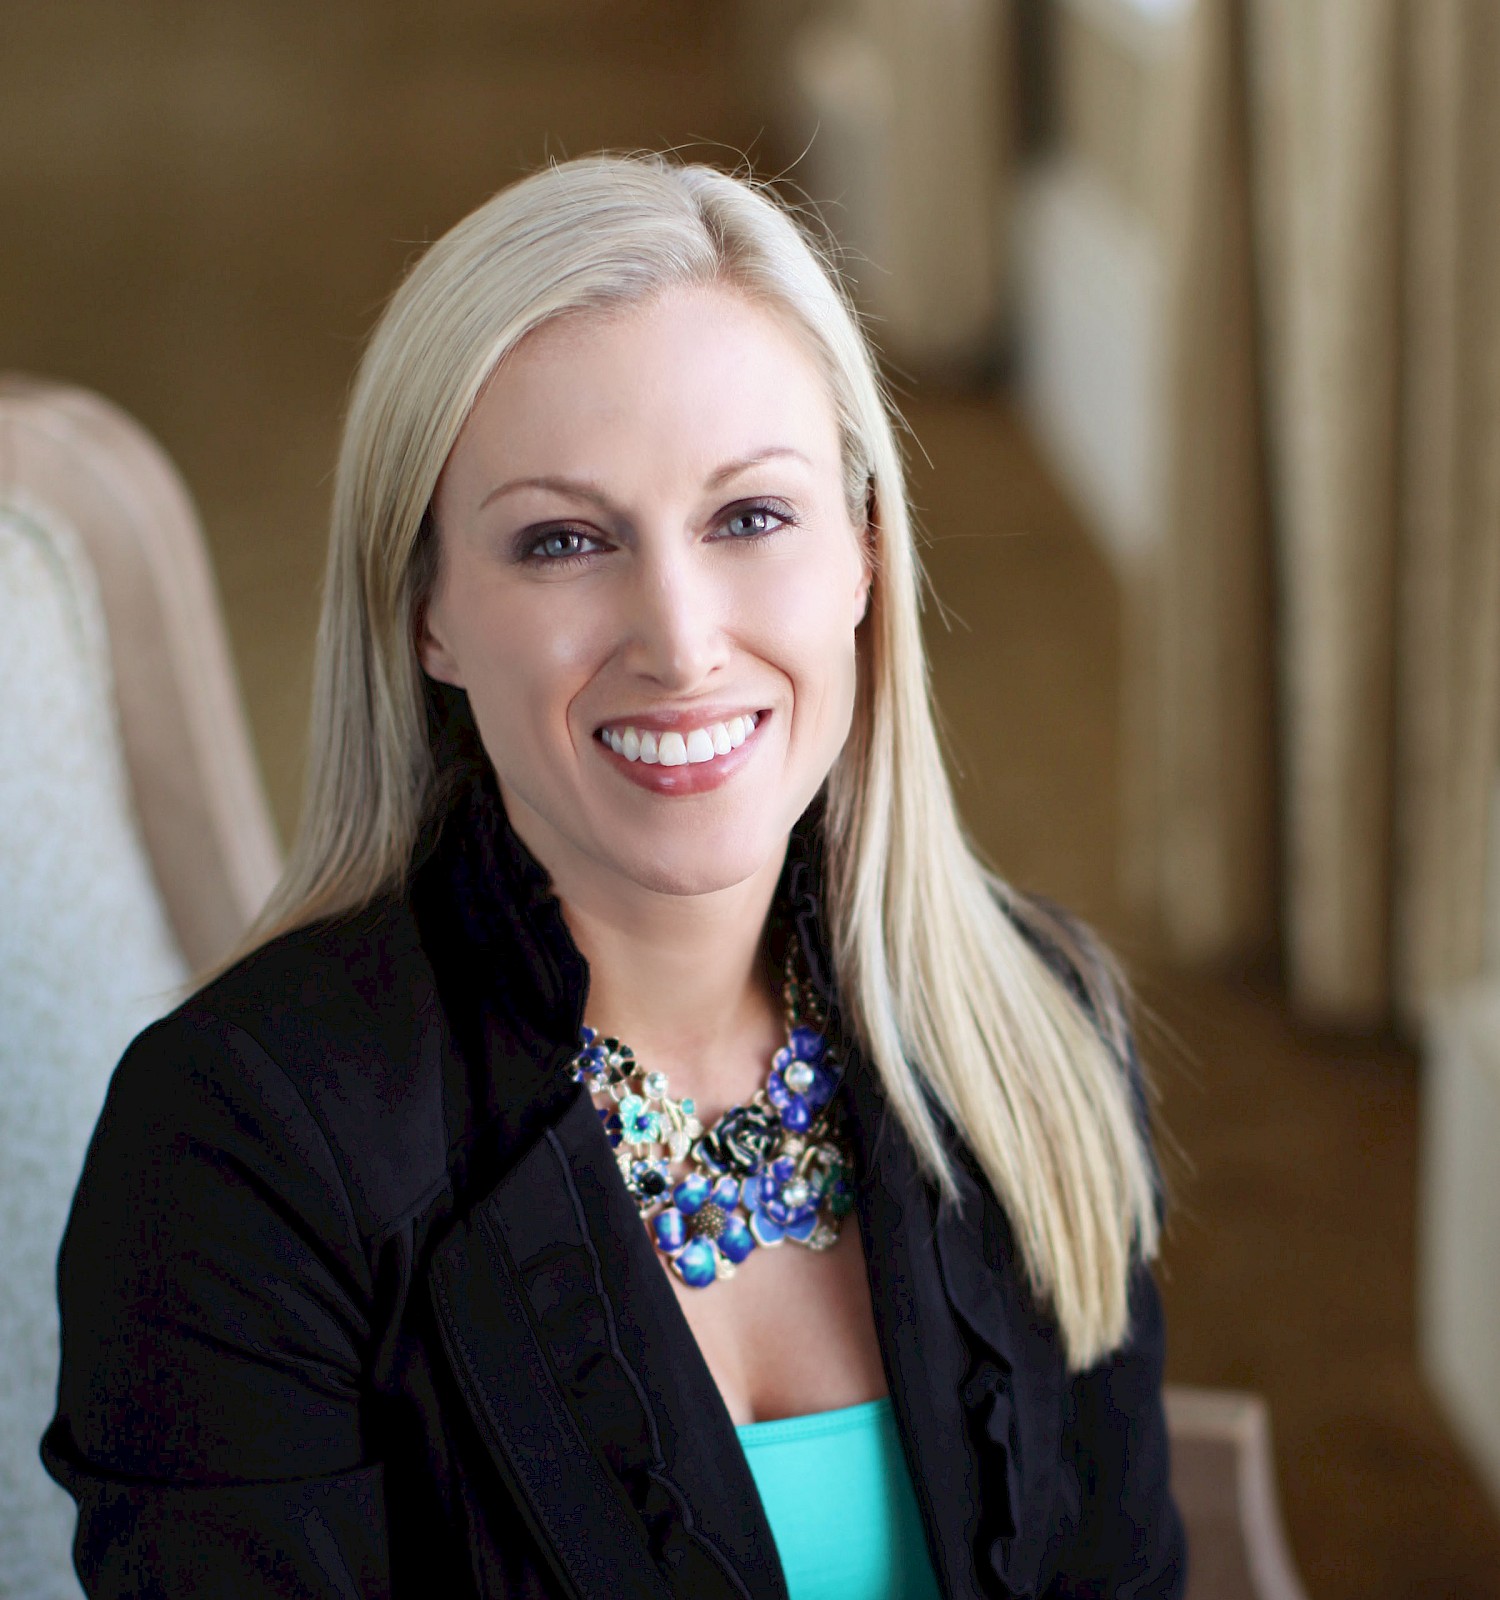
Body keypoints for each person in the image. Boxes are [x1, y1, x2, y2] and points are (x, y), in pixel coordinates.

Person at [43, 153, 1186, 1599]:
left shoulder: (1038, 1024)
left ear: (864, 557)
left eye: (750, 517)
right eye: (565, 541)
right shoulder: (233, 1148)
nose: (680, 637)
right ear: (428, 616)